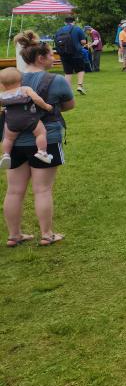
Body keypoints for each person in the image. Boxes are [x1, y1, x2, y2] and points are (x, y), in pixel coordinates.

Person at [3, 31, 74, 247]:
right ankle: (47, 234)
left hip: (13, 141)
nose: (54, 58)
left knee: (14, 190)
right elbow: (69, 106)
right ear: (41, 58)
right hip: (46, 139)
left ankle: (14, 235)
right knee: (42, 189)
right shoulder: (57, 80)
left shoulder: (13, 79)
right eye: (51, 55)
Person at [0, 67, 55, 167]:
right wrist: (47, 107)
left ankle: (6, 155)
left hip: (11, 121)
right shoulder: (25, 89)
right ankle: (42, 152)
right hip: (29, 118)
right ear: (21, 80)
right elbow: (37, 99)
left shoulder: (2, 95)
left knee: (8, 138)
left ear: (2, 84)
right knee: (41, 133)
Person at [54, 15, 87, 94]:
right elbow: (83, 42)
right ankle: (80, 86)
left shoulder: (59, 30)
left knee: (68, 72)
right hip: (76, 53)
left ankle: (68, 90)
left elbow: (56, 41)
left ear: (65, 22)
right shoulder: (78, 29)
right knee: (80, 70)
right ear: (74, 22)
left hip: (64, 54)